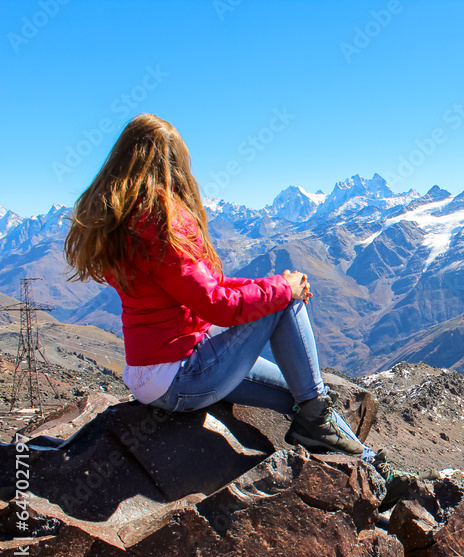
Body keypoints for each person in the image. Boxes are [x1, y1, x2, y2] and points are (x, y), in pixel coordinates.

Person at [63, 113, 421, 509]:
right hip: (179, 376)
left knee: (300, 397)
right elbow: (217, 305)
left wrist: (273, 283)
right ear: (173, 163)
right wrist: (284, 289)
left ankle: (360, 461)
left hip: (152, 372)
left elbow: (206, 290)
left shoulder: (127, 222)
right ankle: (362, 464)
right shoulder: (161, 222)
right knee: (288, 314)